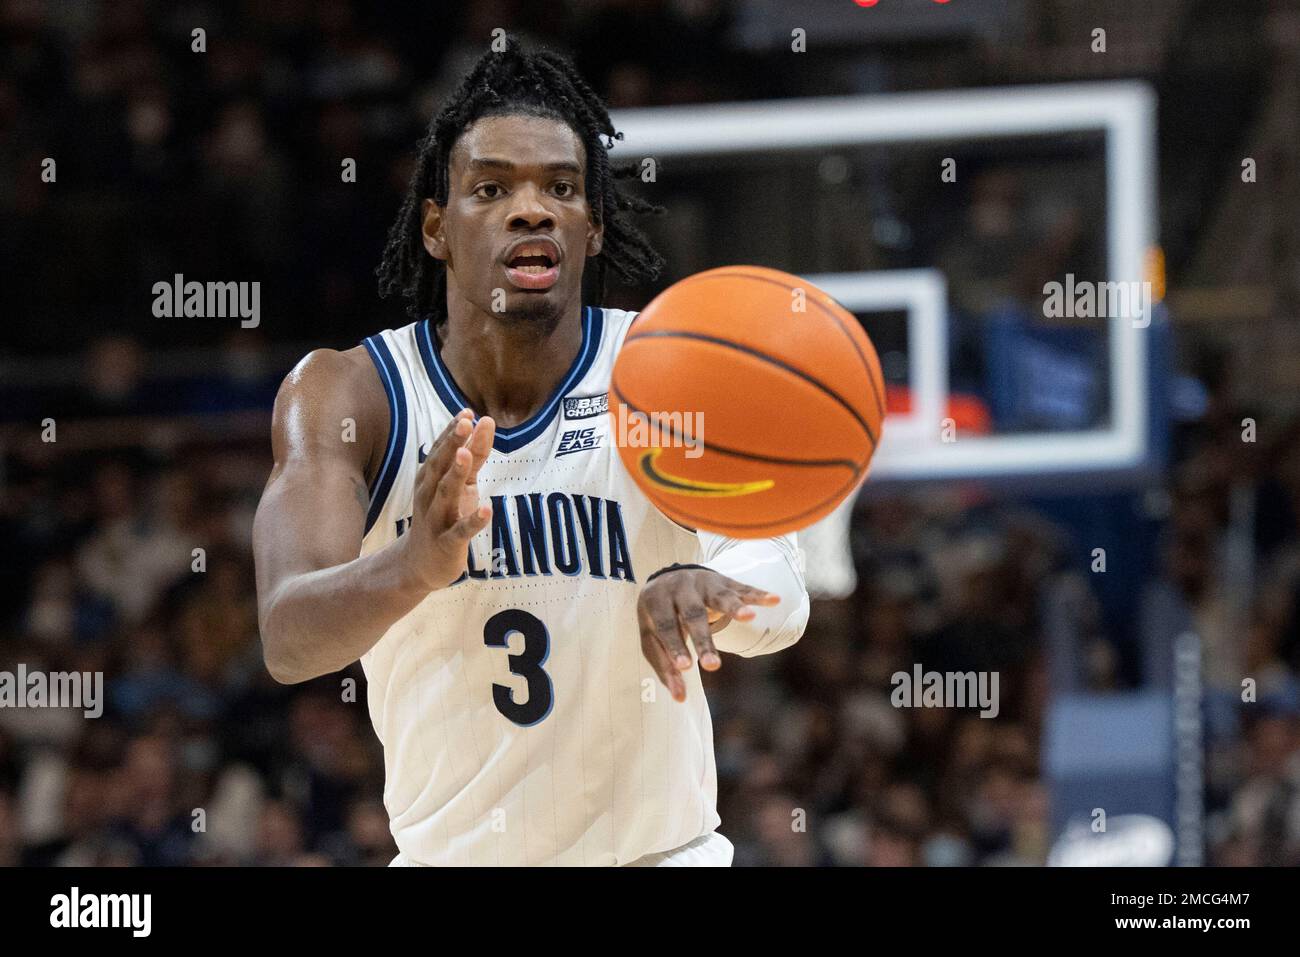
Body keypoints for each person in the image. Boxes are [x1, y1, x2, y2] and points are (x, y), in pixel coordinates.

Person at [252, 38, 809, 867]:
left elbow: (784, 593)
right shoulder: (350, 397)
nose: (532, 209)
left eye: (562, 188)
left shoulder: (669, 375)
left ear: (591, 227)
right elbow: (289, 637)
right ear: (436, 227)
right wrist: (411, 564)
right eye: (491, 188)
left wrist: (712, 588)